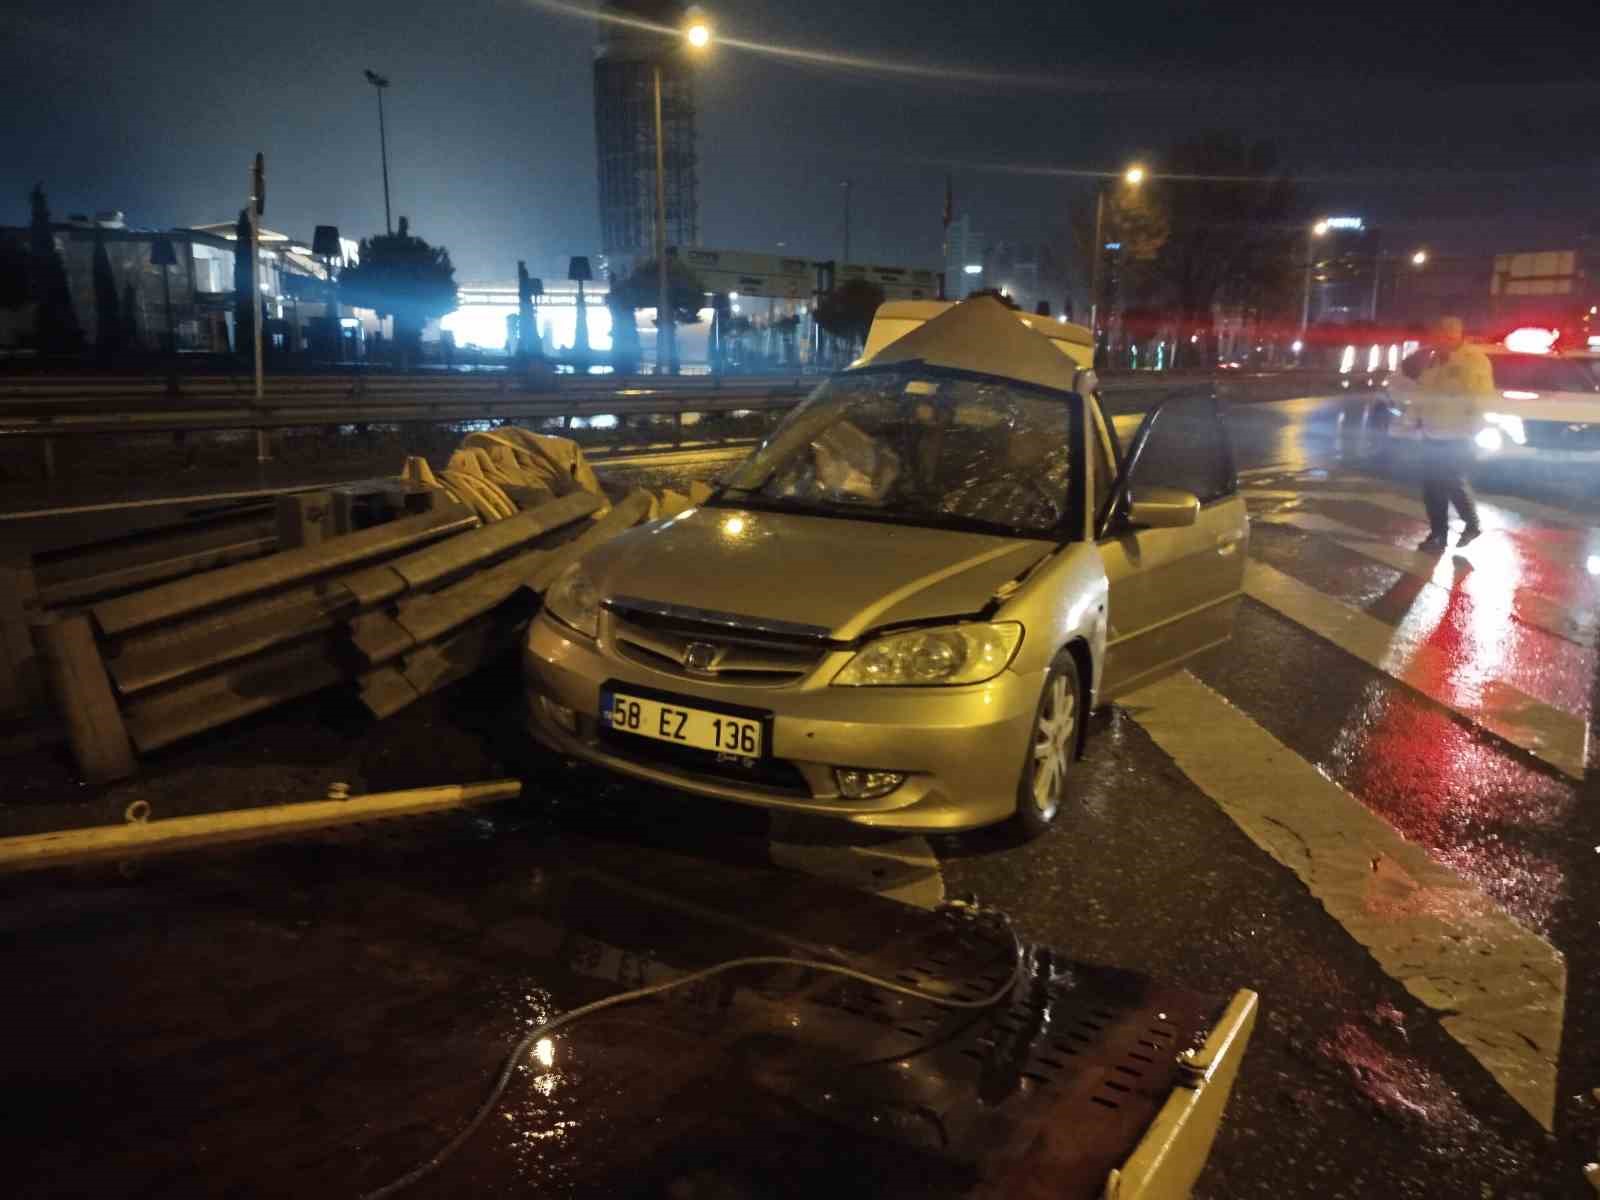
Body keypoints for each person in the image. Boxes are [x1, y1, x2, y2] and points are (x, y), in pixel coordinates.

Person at [1409, 316, 1490, 551]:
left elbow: (1480, 396)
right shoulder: (1434, 361)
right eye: (1437, 336)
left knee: (1448, 481)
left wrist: (1474, 427)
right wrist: (1413, 420)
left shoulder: (1473, 359)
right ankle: (1440, 534)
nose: (1439, 340)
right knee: (1433, 486)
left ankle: (1467, 525)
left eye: (1444, 336)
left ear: (1455, 336)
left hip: (1457, 433)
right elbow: (1423, 393)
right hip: (1432, 431)